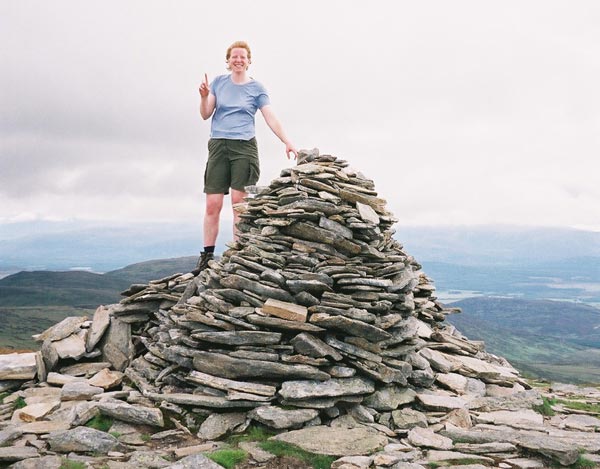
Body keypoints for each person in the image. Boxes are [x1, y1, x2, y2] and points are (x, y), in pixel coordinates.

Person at [193, 41, 297, 275]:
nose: (238, 60)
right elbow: (205, 114)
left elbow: (270, 117)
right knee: (212, 204)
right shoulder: (219, 83)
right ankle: (207, 257)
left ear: (249, 61)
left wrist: (286, 141)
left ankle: (238, 256)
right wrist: (203, 96)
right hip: (219, 145)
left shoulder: (257, 88)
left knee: (240, 206)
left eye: (243, 57)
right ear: (228, 61)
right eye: (234, 57)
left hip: (244, 148)